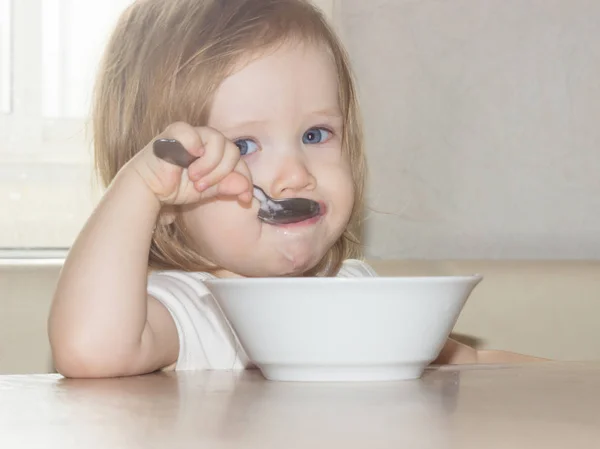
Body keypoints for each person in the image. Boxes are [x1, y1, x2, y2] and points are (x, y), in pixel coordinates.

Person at [48, 0, 542, 378]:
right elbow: (90, 350)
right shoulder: (193, 310)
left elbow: (472, 364)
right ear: (171, 195)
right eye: (243, 144)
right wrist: (138, 187)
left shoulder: (356, 295)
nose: (296, 174)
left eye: (315, 135)